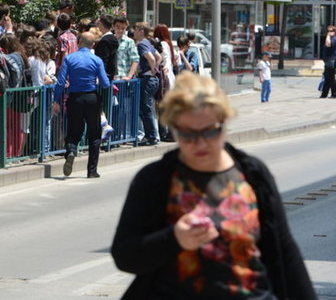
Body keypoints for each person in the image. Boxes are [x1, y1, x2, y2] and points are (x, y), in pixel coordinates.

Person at [111, 71, 316, 300]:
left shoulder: (253, 175)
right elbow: (125, 255)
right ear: (174, 129)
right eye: (188, 134)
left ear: (224, 123)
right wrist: (174, 238)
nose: (200, 142)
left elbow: (285, 254)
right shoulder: (155, 180)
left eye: (210, 131)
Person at [52, 32, 110, 178]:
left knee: (73, 130)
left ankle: (71, 150)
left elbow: (60, 82)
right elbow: (105, 83)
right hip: (92, 98)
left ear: (79, 42)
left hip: (75, 98)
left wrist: (55, 100)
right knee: (94, 134)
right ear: (93, 45)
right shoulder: (96, 60)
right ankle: (92, 170)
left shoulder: (70, 58)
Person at [134, 22, 162, 146]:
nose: (133, 32)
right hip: (152, 79)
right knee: (147, 108)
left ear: (141, 31)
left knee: (146, 109)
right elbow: (159, 57)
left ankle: (151, 137)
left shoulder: (141, 44)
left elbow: (151, 58)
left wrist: (152, 69)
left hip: (147, 79)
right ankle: (151, 135)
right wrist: (155, 68)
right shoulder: (148, 43)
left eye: (135, 29)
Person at [113, 16, 139, 80]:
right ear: (113, 26)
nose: (120, 30)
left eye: (123, 28)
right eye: (117, 27)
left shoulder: (129, 42)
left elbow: (135, 60)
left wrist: (129, 76)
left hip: (123, 79)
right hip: (111, 78)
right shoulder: (109, 40)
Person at [320, 25, 336, 98]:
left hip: (331, 60)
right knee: (330, 78)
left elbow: (328, 44)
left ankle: (324, 94)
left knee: (328, 78)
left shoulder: (333, 39)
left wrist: (328, 36)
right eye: (328, 31)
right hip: (329, 60)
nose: (329, 32)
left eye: (331, 31)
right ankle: (333, 93)